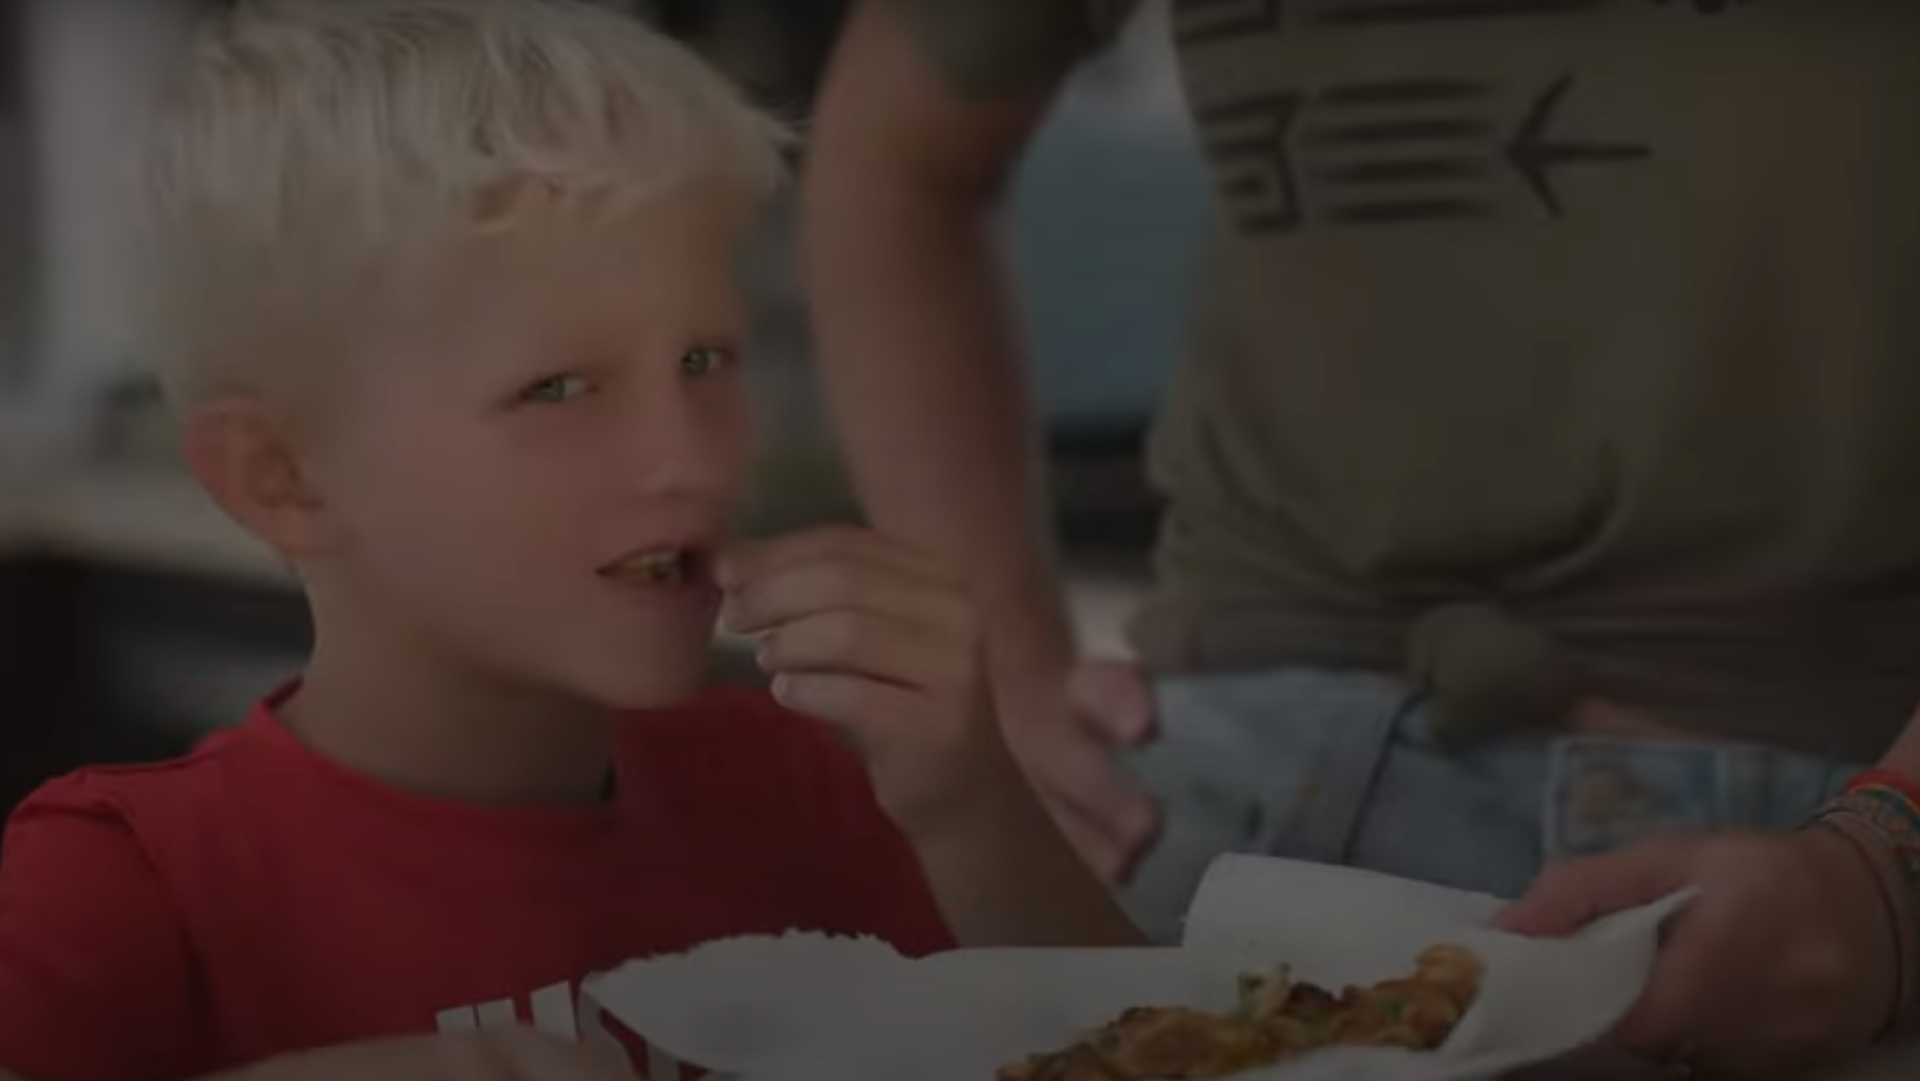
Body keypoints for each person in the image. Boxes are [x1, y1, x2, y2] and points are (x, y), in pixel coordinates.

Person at [0, 2, 1140, 1080]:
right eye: (557, 389)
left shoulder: (802, 790)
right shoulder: (115, 884)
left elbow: (1157, 1050)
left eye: (705, 362)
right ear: (284, 478)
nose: (688, 458)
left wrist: (975, 803)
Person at [800, 0, 1920, 1075]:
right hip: (1190, 802)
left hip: (1772, 858)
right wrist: (1006, 675)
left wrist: (1886, 864)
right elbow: (893, 151)